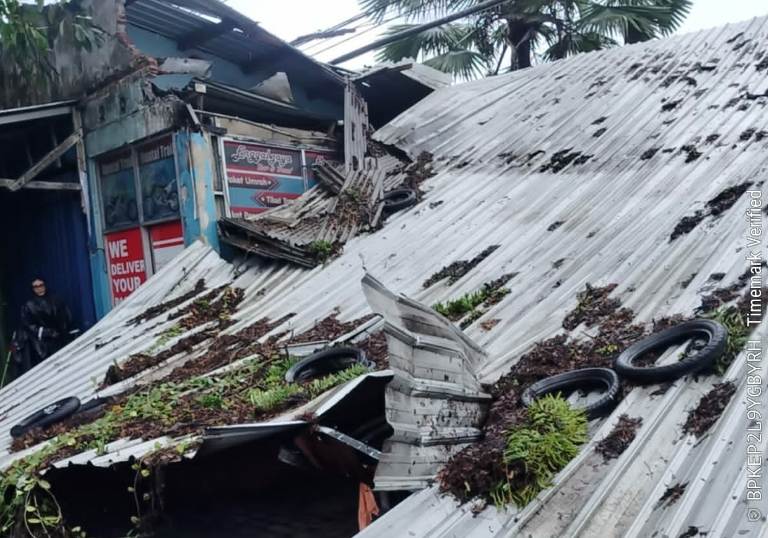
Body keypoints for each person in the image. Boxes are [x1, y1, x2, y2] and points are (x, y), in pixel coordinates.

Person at [15, 277, 74, 374]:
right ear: (33, 289)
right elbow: (28, 325)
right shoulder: (29, 305)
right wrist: (46, 332)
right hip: (42, 345)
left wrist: (62, 330)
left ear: (45, 286)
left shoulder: (56, 300)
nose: (39, 288)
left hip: (60, 339)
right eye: (36, 286)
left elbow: (66, 316)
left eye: (41, 285)